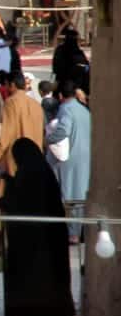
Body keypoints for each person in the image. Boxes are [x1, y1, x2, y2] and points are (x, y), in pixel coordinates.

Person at [0, 138, 75, 316]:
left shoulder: (28, 174)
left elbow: (21, 202)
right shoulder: (43, 172)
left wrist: (4, 199)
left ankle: (30, 313)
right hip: (49, 237)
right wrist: (7, 178)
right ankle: (54, 311)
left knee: (32, 277)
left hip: (31, 242)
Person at [45, 80, 92, 243]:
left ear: (60, 96)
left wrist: (49, 139)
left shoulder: (66, 109)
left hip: (71, 159)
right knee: (80, 195)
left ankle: (73, 233)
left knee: (70, 196)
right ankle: (80, 232)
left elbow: (63, 130)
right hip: (86, 157)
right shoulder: (84, 110)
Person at [52, 28, 90, 94]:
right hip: (75, 86)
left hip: (60, 82)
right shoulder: (77, 52)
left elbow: (55, 68)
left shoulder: (59, 50)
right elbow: (84, 67)